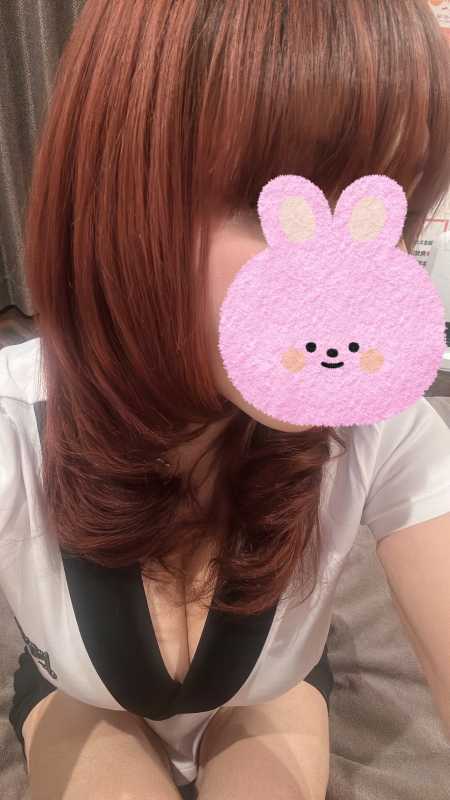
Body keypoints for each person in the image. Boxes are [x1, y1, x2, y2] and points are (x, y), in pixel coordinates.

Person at [2, 2, 450, 798]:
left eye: (382, 214)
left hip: (268, 694)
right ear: (117, 192)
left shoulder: (386, 430)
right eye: (280, 207)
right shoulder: (14, 426)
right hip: (82, 699)